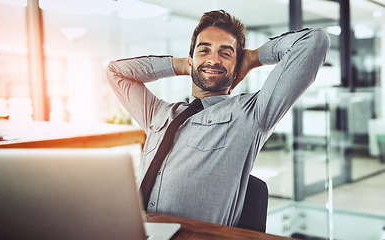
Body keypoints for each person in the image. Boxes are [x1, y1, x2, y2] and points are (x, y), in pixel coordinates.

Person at [107, 10, 330, 226]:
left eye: (225, 53)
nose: (213, 59)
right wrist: (182, 65)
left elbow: (314, 41)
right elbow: (116, 72)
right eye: (204, 50)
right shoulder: (158, 113)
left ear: (237, 66)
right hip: (137, 230)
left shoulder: (250, 115)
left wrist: (253, 58)